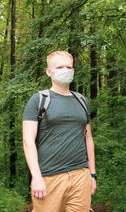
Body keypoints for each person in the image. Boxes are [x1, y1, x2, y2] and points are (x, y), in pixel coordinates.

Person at [22, 51, 96, 212]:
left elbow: (88, 139)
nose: (65, 70)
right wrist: (36, 177)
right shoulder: (39, 100)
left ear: (73, 71)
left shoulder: (82, 101)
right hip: (49, 177)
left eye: (69, 67)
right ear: (49, 72)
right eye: (60, 67)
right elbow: (28, 142)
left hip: (80, 176)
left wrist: (92, 175)